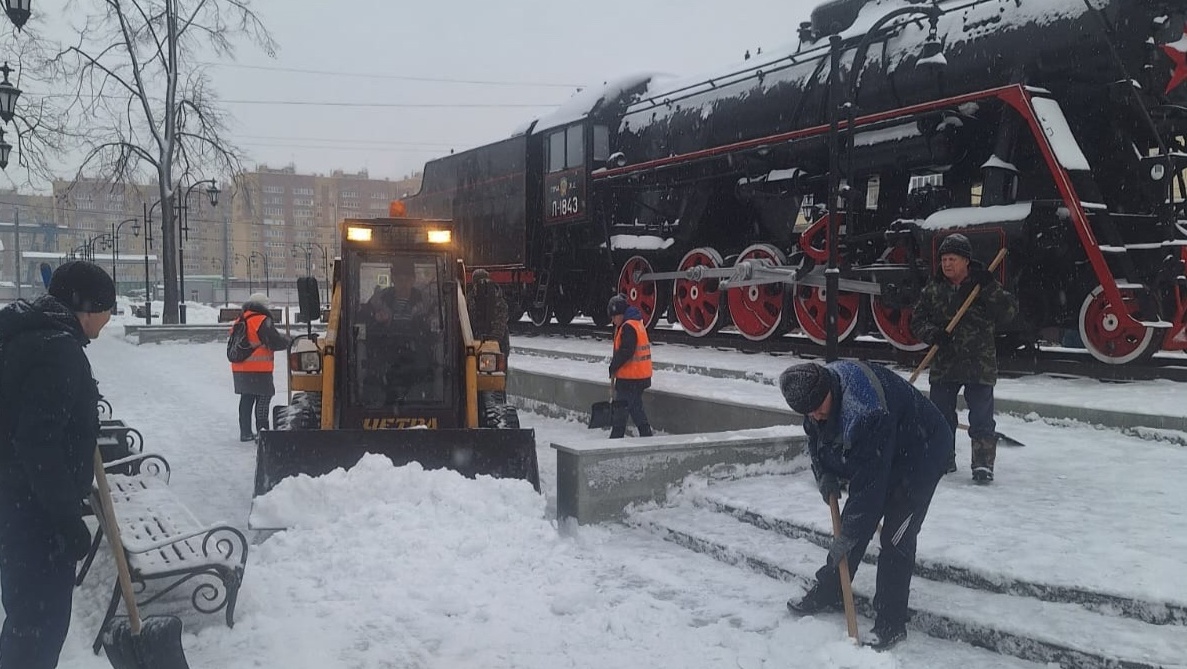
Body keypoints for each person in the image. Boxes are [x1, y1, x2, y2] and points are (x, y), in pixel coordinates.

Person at [780, 360, 953, 650]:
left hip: (922, 452)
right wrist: (824, 474)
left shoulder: (867, 411)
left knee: (895, 535)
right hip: (888, 445)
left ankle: (891, 622)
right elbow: (817, 438)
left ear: (829, 389)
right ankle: (832, 591)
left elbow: (868, 492)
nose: (816, 415)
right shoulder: (815, 394)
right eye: (808, 411)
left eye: (818, 406)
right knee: (854, 529)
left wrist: (849, 533)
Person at [0, 260, 116, 669]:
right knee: (39, 625)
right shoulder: (57, 352)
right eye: (108, 307)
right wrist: (66, 517)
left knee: (26, 619)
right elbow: (37, 441)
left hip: (16, 504)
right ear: (86, 308)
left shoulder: (32, 338)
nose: (110, 317)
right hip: (37, 516)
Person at [910, 233, 1018, 483]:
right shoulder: (934, 289)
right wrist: (933, 334)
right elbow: (918, 321)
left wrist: (989, 288)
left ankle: (982, 464)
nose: (946, 264)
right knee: (941, 415)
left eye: (952, 259)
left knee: (981, 417)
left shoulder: (983, 285)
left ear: (966, 261)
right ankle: (942, 458)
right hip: (945, 363)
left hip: (978, 363)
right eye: (944, 259)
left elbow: (1009, 312)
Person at [231, 293, 290, 442]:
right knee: (264, 398)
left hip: (240, 367)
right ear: (263, 306)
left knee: (247, 398)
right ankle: (262, 432)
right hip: (259, 368)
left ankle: (245, 432)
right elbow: (273, 341)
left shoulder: (241, 319)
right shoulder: (262, 320)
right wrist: (289, 341)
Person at [607, 295, 654, 439]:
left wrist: (613, 366)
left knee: (621, 410)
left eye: (614, 317)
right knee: (635, 408)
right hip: (638, 377)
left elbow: (626, 350)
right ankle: (646, 436)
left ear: (620, 314)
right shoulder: (634, 323)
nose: (613, 321)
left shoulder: (628, 327)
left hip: (631, 378)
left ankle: (615, 439)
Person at [467, 268, 510, 358]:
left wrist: (492, 341)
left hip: (489, 344)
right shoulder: (498, 297)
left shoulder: (472, 298)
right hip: (488, 344)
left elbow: (500, 323)